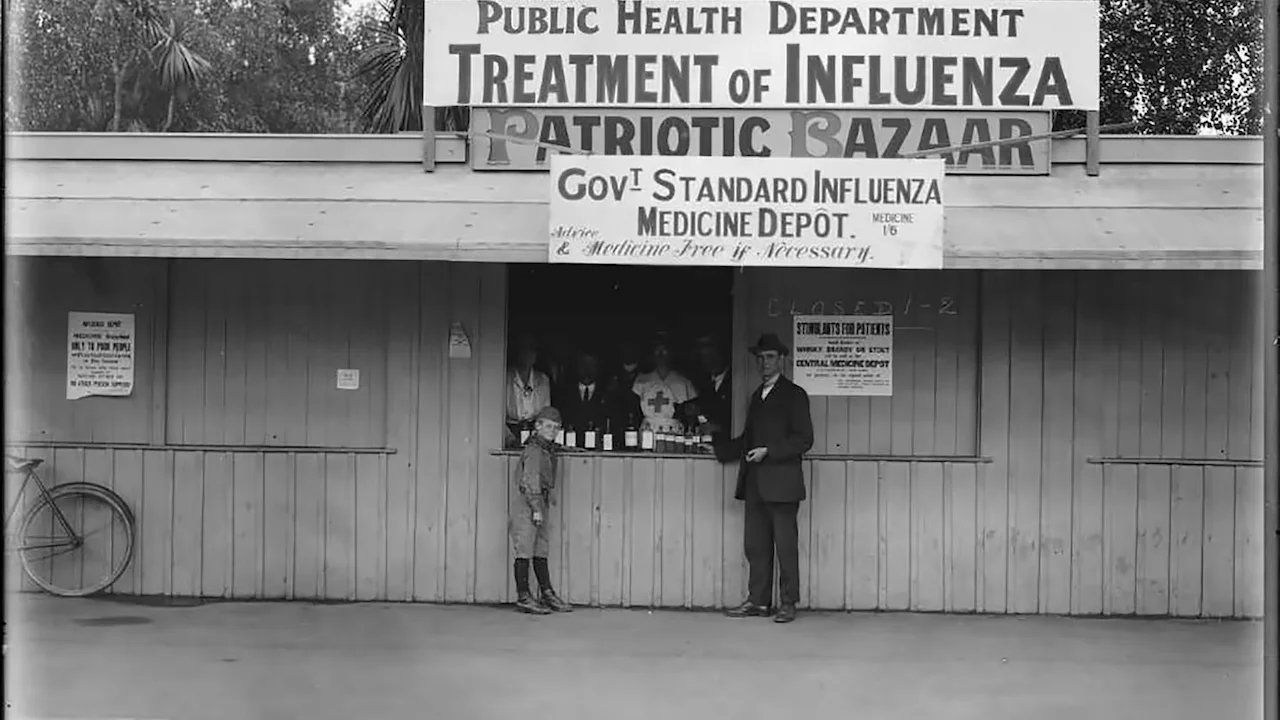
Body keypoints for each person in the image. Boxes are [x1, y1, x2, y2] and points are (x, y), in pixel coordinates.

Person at [710, 333, 814, 624]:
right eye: (760, 358)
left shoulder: (794, 395)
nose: (764, 363)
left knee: (785, 547)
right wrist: (719, 448)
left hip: (782, 483)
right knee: (756, 546)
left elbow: (804, 439)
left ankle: (788, 602)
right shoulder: (757, 396)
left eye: (769, 357)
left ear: (781, 360)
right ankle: (758, 601)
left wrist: (769, 451)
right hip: (756, 482)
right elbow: (748, 440)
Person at [509, 407, 573, 615]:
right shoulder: (535, 450)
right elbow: (530, 481)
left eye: (556, 428)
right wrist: (536, 508)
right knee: (525, 548)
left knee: (540, 549)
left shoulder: (546, 448)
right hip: (528, 502)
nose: (552, 431)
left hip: (539, 501)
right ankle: (524, 596)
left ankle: (546, 593)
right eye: (548, 426)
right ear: (537, 426)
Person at [632, 338, 698, 434]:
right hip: (648, 430)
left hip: (673, 431)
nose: (661, 354)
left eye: (664, 350)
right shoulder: (642, 380)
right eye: (657, 351)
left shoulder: (683, 382)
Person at [505, 335, 552, 444]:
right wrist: (509, 438)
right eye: (524, 349)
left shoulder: (542, 379)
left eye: (532, 349)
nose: (528, 354)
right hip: (509, 433)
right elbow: (496, 414)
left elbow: (546, 414)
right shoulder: (505, 378)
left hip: (535, 434)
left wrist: (537, 437)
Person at [559, 349, 612, 432]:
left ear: (598, 368)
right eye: (583, 364)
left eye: (592, 365)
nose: (587, 369)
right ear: (576, 366)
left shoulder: (608, 393)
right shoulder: (564, 393)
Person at [692, 334, 732, 431]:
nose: (706, 358)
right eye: (703, 355)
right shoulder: (704, 383)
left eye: (710, 353)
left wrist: (718, 428)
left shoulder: (734, 381)